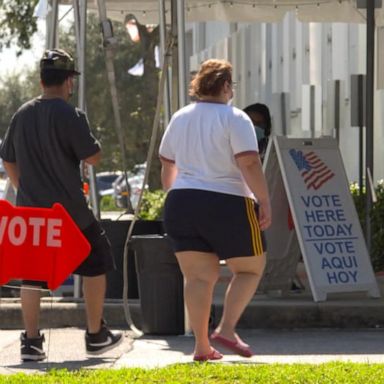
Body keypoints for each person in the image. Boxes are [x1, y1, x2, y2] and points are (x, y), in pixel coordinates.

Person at [0, 49, 123, 362]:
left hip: (33, 214)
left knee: (32, 276)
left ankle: (30, 342)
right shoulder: (71, 115)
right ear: (69, 81)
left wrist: (22, 189)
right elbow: (93, 156)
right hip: (71, 214)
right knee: (97, 263)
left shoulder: (22, 113)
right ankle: (96, 335)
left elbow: (8, 158)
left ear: (41, 79)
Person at [159, 59, 271, 361]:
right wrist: (264, 199)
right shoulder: (236, 118)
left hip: (181, 202)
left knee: (197, 277)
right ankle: (227, 329)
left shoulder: (180, 117)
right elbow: (249, 163)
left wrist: (174, 194)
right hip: (227, 201)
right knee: (250, 268)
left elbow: (167, 164)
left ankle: (201, 347)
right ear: (225, 86)